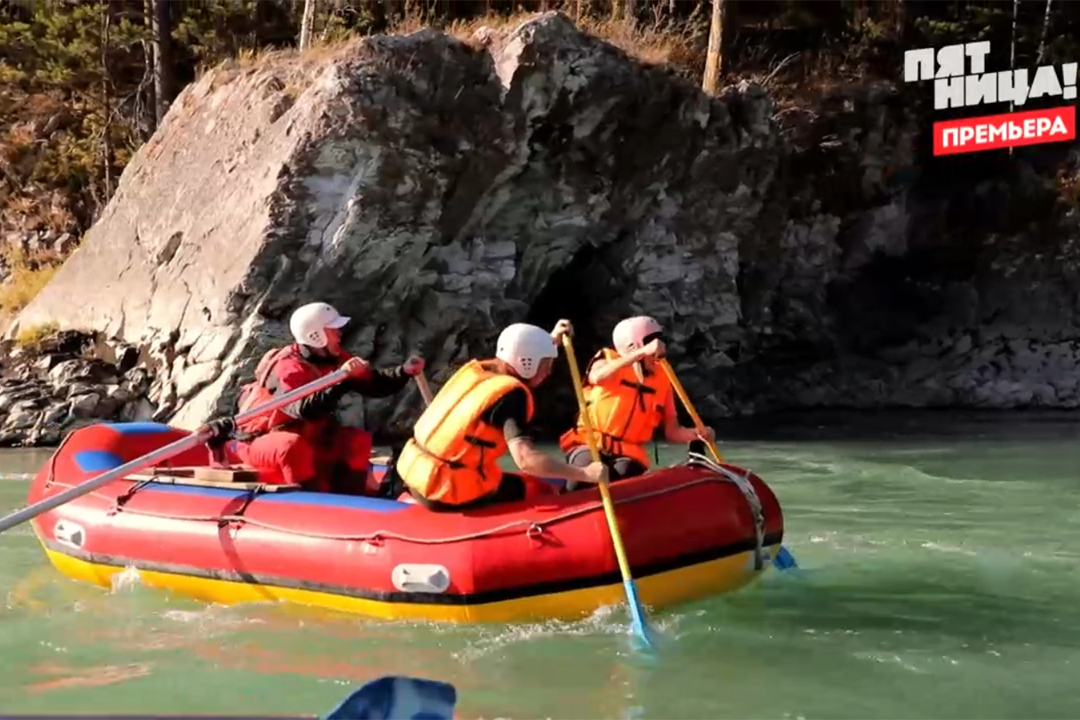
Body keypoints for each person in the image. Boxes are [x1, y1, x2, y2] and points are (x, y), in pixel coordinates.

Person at [208, 301, 425, 495]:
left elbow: (374, 384)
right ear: (315, 335)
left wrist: (403, 372)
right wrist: (343, 380)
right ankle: (313, 502)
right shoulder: (288, 368)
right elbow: (303, 409)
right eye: (333, 329)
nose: (340, 333)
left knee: (357, 440)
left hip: (307, 437)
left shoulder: (336, 358)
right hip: (261, 441)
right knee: (292, 447)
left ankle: (356, 500)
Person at [394, 320, 609, 512]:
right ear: (528, 362)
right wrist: (585, 474)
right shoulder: (510, 396)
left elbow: (519, 350)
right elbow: (526, 460)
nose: (549, 372)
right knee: (538, 490)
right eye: (545, 365)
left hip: (416, 477)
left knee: (513, 482)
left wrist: (549, 341)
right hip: (444, 491)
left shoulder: (478, 372)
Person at [558, 315, 715, 488]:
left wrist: (697, 434)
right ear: (632, 346)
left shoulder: (663, 380)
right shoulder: (606, 362)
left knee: (627, 475)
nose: (658, 347)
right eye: (650, 341)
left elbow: (672, 430)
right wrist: (641, 353)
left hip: (628, 453)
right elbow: (597, 377)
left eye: (660, 340)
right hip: (589, 443)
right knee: (582, 479)